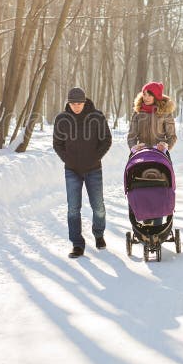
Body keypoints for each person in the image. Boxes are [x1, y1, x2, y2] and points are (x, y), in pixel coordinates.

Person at [53, 87, 112, 259]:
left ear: (84, 102)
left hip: (94, 169)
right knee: (73, 209)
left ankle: (99, 233)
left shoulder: (97, 117)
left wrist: (95, 157)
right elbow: (57, 143)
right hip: (72, 171)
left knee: (98, 206)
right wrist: (68, 160)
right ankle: (77, 244)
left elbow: (106, 140)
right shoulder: (62, 119)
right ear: (68, 103)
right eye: (73, 103)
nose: (76, 106)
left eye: (79, 103)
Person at [127, 81, 177, 225]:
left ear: (156, 96)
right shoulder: (138, 112)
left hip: (159, 157)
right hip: (141, 157)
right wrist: (134, 147)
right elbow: (131, 136)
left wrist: (166, 145)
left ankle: (158, 220)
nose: (146, 96)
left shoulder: (165, 112)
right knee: (141, 187)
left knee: (160, 188)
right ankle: (144, 216)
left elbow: (172, 136)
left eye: (149, 94)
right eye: (144, 93)